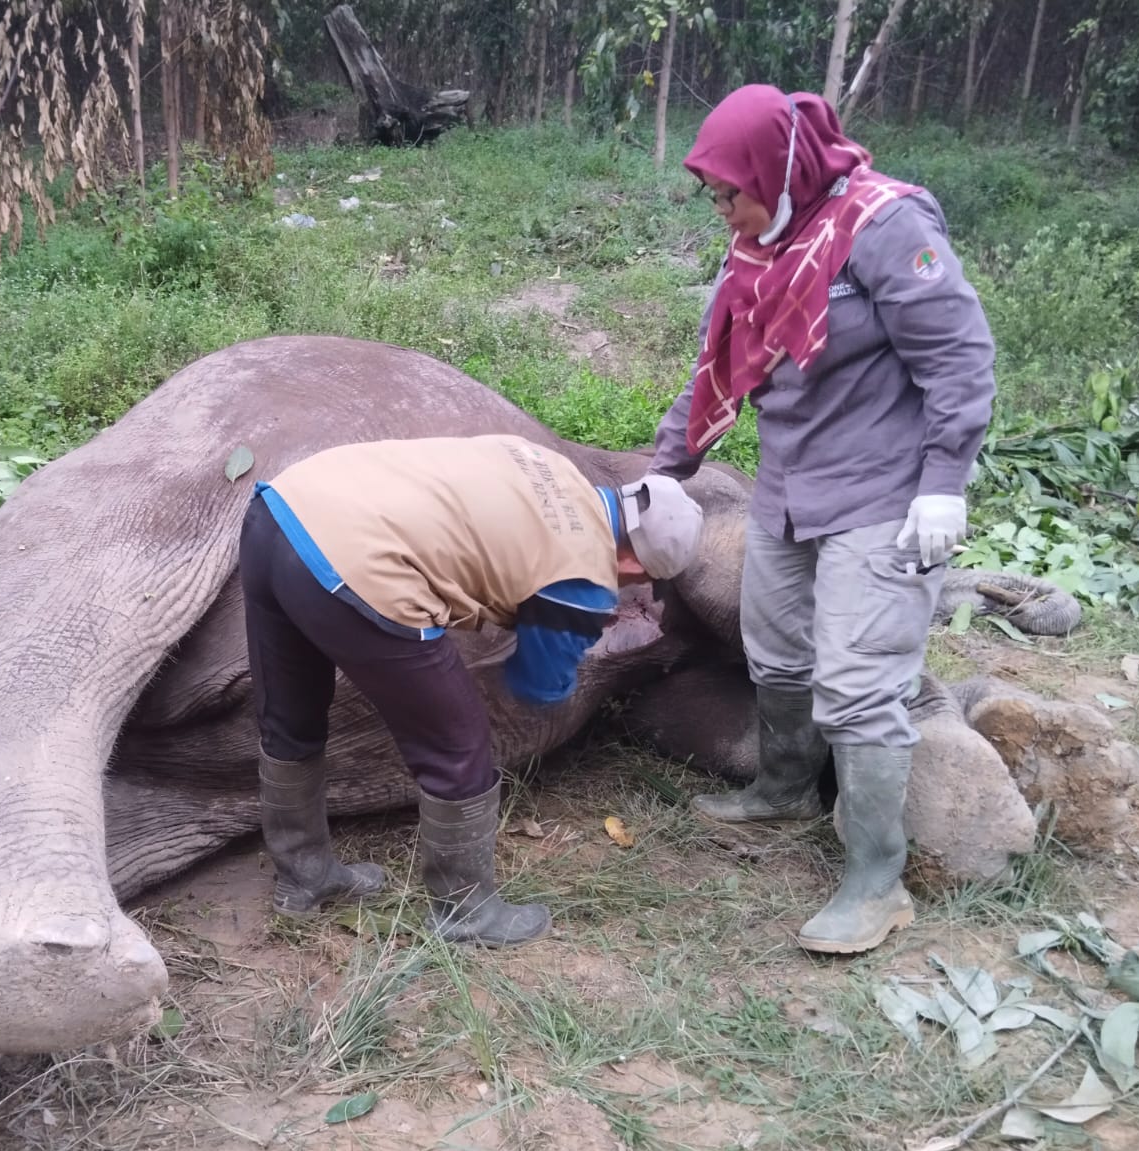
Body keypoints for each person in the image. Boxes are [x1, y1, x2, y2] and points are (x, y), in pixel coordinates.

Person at [648, 84, 995, 955]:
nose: (723, 209)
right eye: (714, 194)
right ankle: (783, 789)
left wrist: (944, 481)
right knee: (777, 651)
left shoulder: (884, 227)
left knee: (859, 679)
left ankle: (877, 879)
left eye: (732, 190)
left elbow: (958, 355)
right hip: (790, 493)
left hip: (881, 498)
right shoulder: (755, 254)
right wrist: (661, 473)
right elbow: (712, 375)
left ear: (780, 167)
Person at [241, 434, 703, 946]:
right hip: (358, 565)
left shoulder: (549, 465)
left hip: (280, 513)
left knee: (291, 714)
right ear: (638, 567)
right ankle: (467, 915)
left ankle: (302, 878)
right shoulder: (585, 576)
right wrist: (570, 636)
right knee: (459, 745)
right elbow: (538, 685)